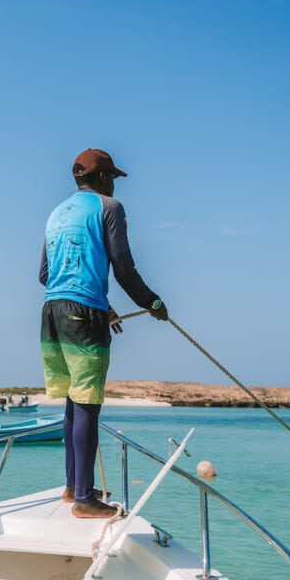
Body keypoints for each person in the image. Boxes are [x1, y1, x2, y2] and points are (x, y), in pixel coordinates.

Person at [39, 148, 168, 518]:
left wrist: (101, 301)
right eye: (111, 176)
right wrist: (153, 303)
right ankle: (84, 500)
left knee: (71, 401)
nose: (114, 184)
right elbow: (124, 270)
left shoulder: (55, 214)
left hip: (51, 312)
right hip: (83, 315)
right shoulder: (109, 207)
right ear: (100, 178)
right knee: (88, 405)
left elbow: (45, 274)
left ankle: (71, 488)